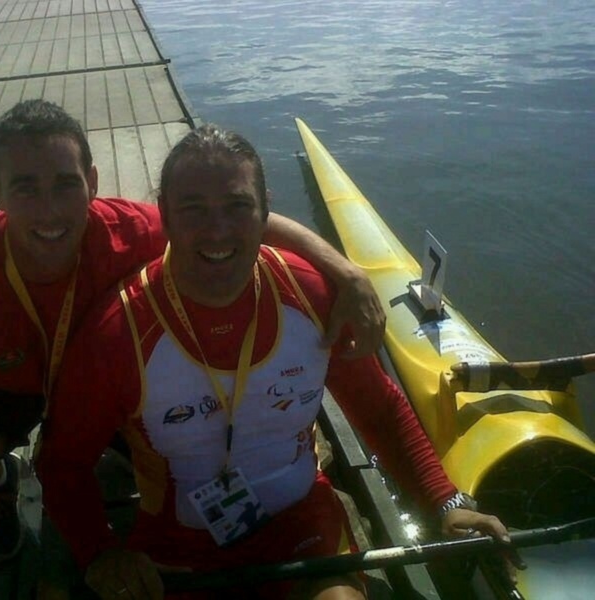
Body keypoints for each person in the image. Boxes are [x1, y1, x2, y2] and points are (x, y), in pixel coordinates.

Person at [0, 101, 386, 600]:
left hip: (105, 383)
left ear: (94, 183)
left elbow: (229, 220)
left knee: (163, 443)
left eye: (65, 185)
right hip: (3, 393)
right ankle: (0, 478)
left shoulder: (134, 228)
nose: (50, 211)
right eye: (25, 188)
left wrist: (344, 272)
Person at [37, 124, 512, 599]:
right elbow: (62, 465)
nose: (217, 230)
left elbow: (380, 411)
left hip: (301, 524)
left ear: (266, 211)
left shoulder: (312, 295)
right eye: (193, 209)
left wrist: (444, 500)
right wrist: (100, 551)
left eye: (238, 207)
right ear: (163, 215)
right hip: (178, 547)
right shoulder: (117, 333)